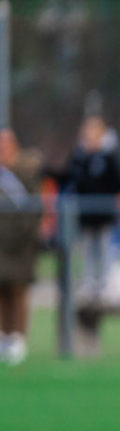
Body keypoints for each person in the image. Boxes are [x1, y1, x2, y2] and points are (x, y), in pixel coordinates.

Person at [57, 114, 120, 298]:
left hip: (103, 214)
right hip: (84, 215)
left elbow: (118, 183)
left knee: (103, 249)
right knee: (85, 250)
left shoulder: (109, 156)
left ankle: (103, 284)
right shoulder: (80, 156)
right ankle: (87, 283)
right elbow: (70, 177)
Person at [0, 130, 40, 365]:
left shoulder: (25, 175)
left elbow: (33, 209)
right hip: (0, 246)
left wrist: (14, 235)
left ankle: (18, 339)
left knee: (18, 291)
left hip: (20, 246)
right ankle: (3, 337)